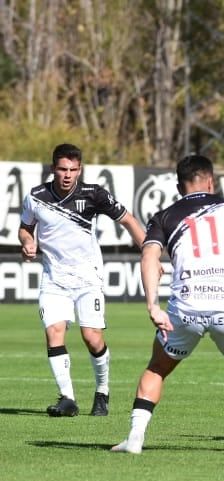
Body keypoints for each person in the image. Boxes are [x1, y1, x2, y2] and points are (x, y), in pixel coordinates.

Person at [111, 154, 224, 455]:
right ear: (211, 182)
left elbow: (148, 257)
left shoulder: (164, 216)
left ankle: (134, 439)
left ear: (178, 186)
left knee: (157, 369)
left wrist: (153, 306)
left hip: (186, 308)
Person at [18, 143, 145, 417]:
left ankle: (103, 391)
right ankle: (67, 399)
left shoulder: (93, 194)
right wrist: (27, 242)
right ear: (53, 168)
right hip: (54, 279)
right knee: (54, 331)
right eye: (62, 169)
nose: (67, 175)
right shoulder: (36, 197)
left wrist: (150, 253)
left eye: (73, 170)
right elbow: (25, 228)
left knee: (92, 338)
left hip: (88, 279)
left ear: (80, 170)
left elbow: (129, 220)